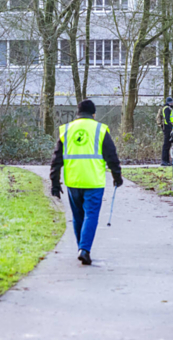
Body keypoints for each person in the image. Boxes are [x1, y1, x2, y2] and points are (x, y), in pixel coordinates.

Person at [50, 99, 123, 265]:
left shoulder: (66, 130)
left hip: (73, 181)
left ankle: (81, 248)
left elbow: (56, 160)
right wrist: (117, 176)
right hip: (93, 182)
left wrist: (55, 183)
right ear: (94, 114)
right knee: (91, 215)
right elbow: (111, 155)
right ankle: (84, 249)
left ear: (77, 113)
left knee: (77, 217)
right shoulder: (100, 129)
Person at [159, 96, 173, 166]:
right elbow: (167, 119)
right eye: (171, 102)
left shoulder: (166, 108)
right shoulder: (167, 109)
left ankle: (166, 161)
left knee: (167, 145)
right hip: (168, 128)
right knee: (166, 145)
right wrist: (171, 127)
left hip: (167, 128)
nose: (172, 103)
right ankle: (164, 161)